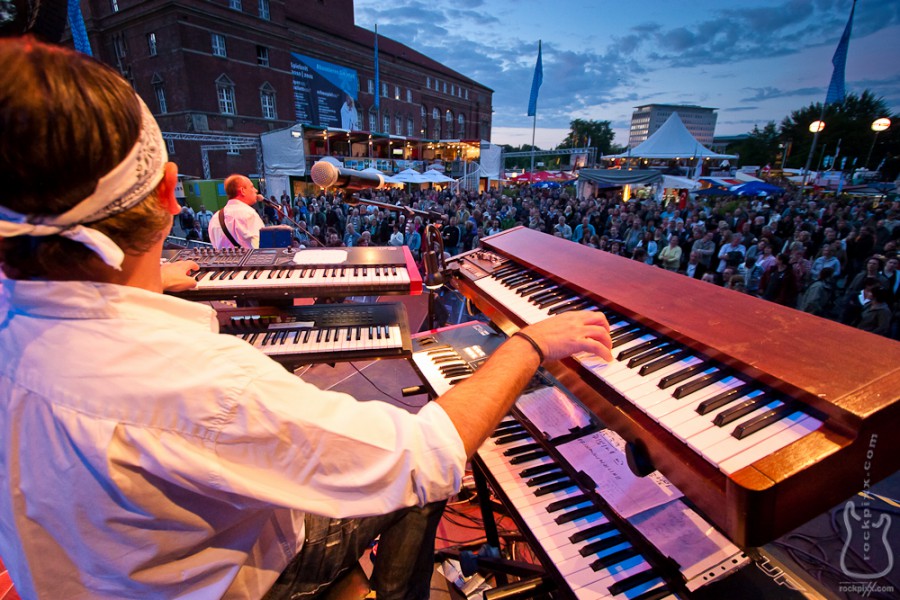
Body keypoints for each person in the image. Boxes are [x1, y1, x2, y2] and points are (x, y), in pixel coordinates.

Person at [0, 37, 614, 599]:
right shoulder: (208, 385)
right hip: (236, 582)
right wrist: (527, 346)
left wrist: (143, 275)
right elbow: (426, 455)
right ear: (167, 194)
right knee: (421, 485)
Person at [208, 173, 265, 249]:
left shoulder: (215, 217)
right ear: (242, 191)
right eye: (251, 187)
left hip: (222, 260)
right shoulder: (248, 213)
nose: (256, 190)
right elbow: (261, 245)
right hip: (250, 260)